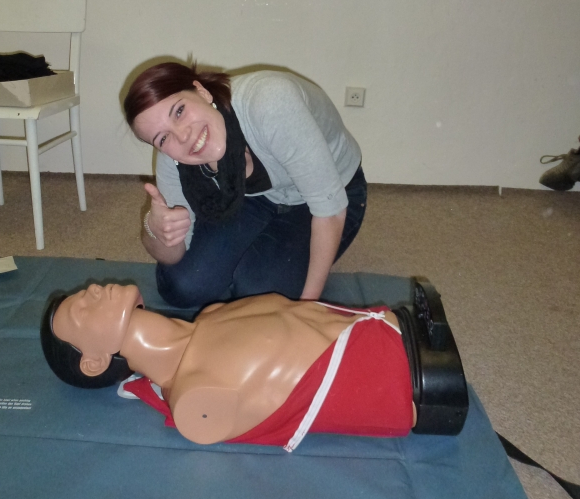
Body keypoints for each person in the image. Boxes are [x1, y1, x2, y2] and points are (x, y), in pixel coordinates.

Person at [40, 279, 469, 448]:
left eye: (82, 293)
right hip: (418, 382)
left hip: (400, 327)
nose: (91, 289)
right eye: (82, 309)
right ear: (94, 363)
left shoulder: (209, 317)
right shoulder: (196, 401)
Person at [123, 62, 366, 308]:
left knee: (260, 294)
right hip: (250, 197)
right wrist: (154, 228)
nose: (183, 136)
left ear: (202, 92)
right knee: (182, 286)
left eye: (179, 111)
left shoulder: (270, 102)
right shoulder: (174, 159)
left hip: (333, 195)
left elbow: (330, 210)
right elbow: (174, 253)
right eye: (162, 138)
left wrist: (308, 306)